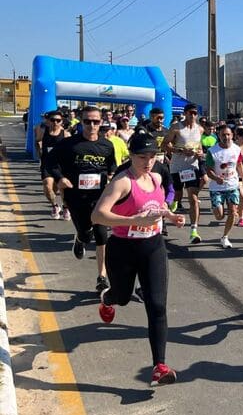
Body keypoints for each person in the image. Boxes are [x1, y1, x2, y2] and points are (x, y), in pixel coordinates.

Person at [91, 133, 185, 386]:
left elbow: (155, 207)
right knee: (122, 297)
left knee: (157, 306)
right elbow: (97, 215)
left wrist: (170, 216)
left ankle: (159, 366)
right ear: (131, 156)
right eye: (142, 157)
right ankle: (107, 298)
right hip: (123, 248)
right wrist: (134, 220)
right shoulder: (122, 182)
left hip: (153, 247)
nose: (148, 161)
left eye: (152, 156)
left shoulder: (156, 178)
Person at [45, 106, 117, 294]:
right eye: (87, 121)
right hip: (76, 197)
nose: (91, 125)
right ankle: (80, 239)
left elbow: (112, 168)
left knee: (102, 236)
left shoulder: (107, 146)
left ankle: (102, 278)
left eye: (95, 121)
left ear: (101, 122)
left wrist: (111, 178)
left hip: (99, 198)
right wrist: (60, 178)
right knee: (86, 234)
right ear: (81, 121)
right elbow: (49, 162)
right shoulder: (69, 144)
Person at [162, 103, 204, 243]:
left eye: (195, 113)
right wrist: (180, 150)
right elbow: (164, 144)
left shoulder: (200, 129)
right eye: (190, 113)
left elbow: (199, 146)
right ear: (185, 113)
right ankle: (174, 203)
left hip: (192, 167)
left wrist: (200, 153)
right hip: (177, 167)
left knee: (193, 198)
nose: (193, 115)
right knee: (177, 195)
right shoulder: (176, 128)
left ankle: (194, 231)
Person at [205, 126, 243, 249]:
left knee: (233, 212)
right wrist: (216, 178)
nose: (226, 137)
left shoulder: (237, 149)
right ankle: (217, 208)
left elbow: (239, 165)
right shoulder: (212, 151)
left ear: (232, 135)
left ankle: (225, 237)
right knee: (219, 216)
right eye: (223, 135)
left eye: (228, 134)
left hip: (232, 185)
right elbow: (208, 170)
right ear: (219, 136)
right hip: (217, 187)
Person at [36, 110, 70, 220]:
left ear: (61, 121)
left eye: (58, 120)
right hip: (47, 164)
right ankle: (55, 206)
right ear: (48, 121)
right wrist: (40, 154)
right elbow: (37, 141)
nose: (55, 122)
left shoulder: (65, 134)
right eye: (53, 120)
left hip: (61, 166)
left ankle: (65, 207)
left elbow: (72, 150)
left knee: (62, 189)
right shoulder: (43, 131)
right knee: (47, 186)